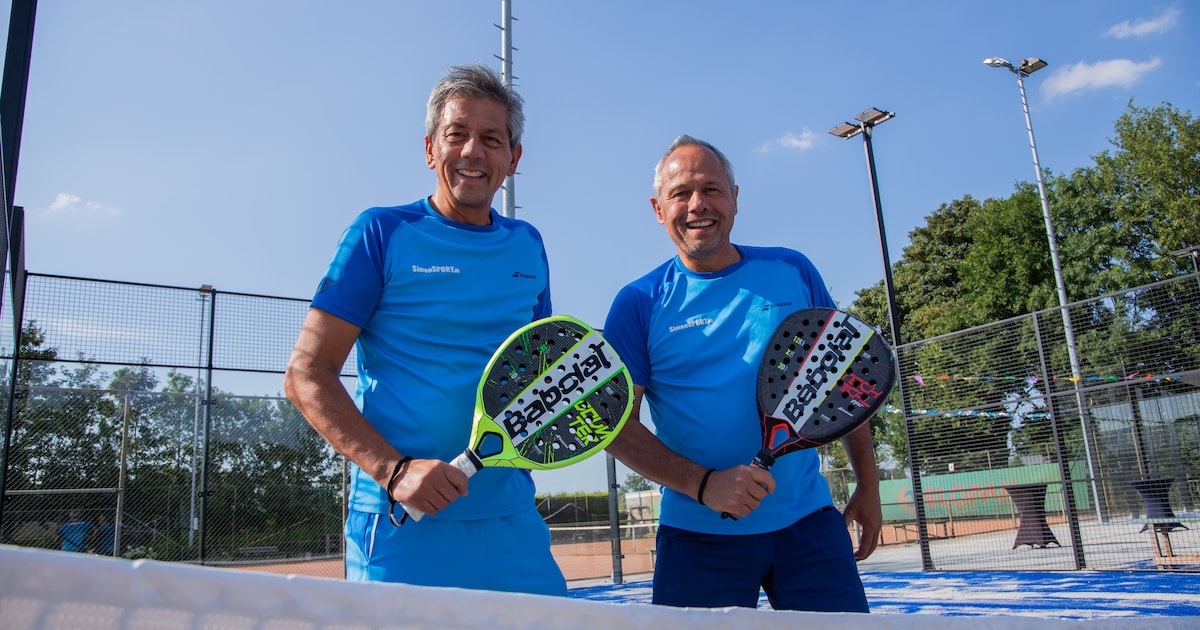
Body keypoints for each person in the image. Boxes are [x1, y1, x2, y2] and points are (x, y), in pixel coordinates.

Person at [284, 64, 564, 596]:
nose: (473, 152)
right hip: (402, 526)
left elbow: (538, 372)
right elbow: (305, 375)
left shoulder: (529, 243)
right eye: (457, 134)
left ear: (514, 158)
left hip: (512, 525)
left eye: (492, 139)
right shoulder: (381, 232)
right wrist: (395, 471)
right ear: (431, 148)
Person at [603, 135, 882, 612]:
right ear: (657, 208)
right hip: (697, 539)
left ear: (735, 197)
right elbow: (612, 427)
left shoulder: (792, 268)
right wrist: (704, 484)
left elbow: (841, 379)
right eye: (680, 194)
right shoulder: (638, 303)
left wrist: (869, 484)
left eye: (712, 189)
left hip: (810, 526)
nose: (698, 205)